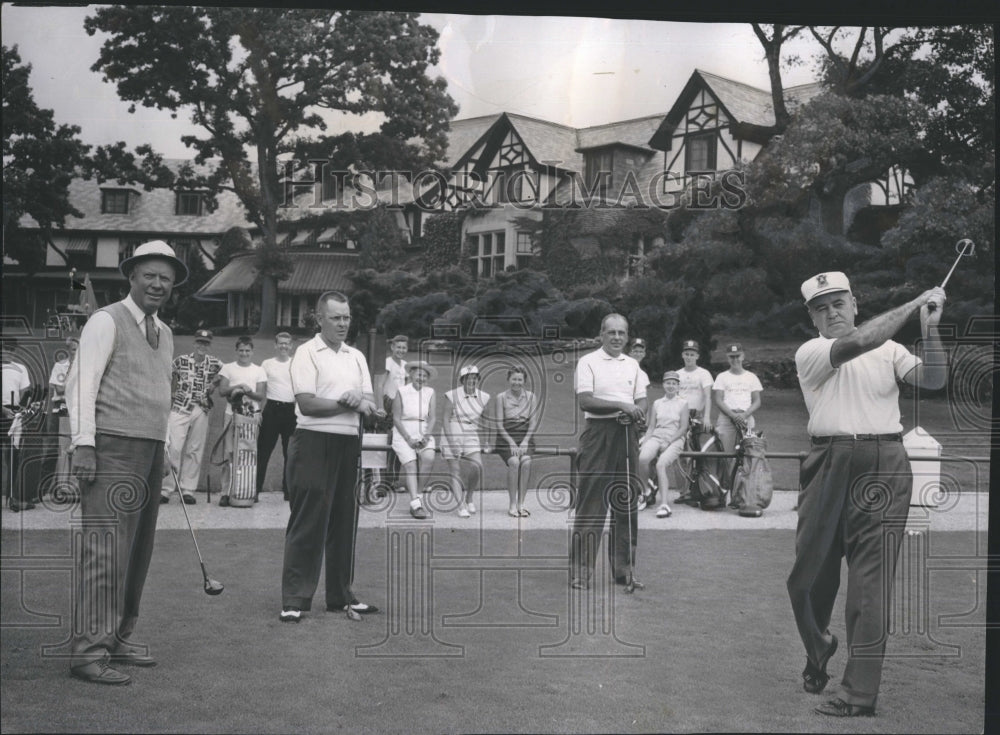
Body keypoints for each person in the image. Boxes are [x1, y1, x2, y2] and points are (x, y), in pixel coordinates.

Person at [787, 272, 947, 718]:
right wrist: (914, 303)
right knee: (807, 579)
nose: (831, 312)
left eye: (838, 303)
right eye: (821, 307)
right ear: (812, 317)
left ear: (855, 303)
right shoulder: (814, 350)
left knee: (868, 586)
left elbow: (934, 380)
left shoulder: (893, 350)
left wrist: (929, 329)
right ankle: (818, 649)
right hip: (827, 461)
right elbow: (857, 344)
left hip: (884, 463)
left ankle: (858, 693)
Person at [65, 239, 187, 685]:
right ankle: (88, 652)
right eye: (150, 275)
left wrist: (166, 445)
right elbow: (82, 384)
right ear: (132, 276)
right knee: (106, 551)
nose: (158, 284)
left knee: (137, 552)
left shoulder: (165, 331)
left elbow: (160, 393)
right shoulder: (105, 320)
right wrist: (83, 443)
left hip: (150, 449)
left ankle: (116, 636)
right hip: (111, 447)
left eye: (166, 279)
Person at [280, 291, 379, 622]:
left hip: (348, 442)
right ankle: (295, 599)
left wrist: (359, 401)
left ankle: (340, 595)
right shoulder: (307, 352)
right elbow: (307, 403)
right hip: (312, 442)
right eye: (336, 317)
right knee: (308, 520)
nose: (343, 323)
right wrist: (348, 401)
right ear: (319, 319)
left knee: (344, 521)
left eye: (347, 317)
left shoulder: (356, 356)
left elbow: (370, 403)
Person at [570, 313, 649, 590]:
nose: (617, 337)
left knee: (626, 501)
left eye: (622, 333)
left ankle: (624, 569)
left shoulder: (633, 366)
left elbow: (641, 399)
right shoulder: (588, 362)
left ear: (627, 337)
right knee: (591, 502)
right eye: (611, 332)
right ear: (601, 335)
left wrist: (636, 412)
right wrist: (622, 406)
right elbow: (585, 401)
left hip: (626, 434)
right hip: (598, 434)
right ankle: (581, 571)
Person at [161, 329, 222, 505]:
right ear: (194, 343)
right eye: (200, 343)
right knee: (174, 448)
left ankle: (188, 489)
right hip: (180, 407)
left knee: (195, 450)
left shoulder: (215, 363)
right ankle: (166, 489)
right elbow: (168, 376)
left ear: (209, 345)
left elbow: (226, 375)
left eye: (206, 343)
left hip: (201, 408)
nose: (202, 346)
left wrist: (215, 384)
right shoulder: (181, 361)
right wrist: (171, 395)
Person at [216, 336, 267, 506]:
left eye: (247, 350)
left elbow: (260, 395)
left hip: (251, 416)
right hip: (232, 415)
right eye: (241, 350)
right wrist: (237, 387)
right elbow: (222, 391)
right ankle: (225, 492)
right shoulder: (228, 368)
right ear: (236, 351)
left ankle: (247, 490)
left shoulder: (259, 370)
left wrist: (248, 391)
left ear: (252, 352)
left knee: (248, 453)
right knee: (229, 452)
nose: (244, 353)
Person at [636, 371, 688, 519]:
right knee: (642, 458)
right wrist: (645, 442)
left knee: (661, 465)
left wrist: (669, 442)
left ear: (678, 386)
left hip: (675, 438)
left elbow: (683, 428)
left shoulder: (683, 403)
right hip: (657, 436)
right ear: (663, 385)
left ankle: (664, 504)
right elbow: (651, 426)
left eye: (674, 383)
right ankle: (645, 492)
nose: (671, 386)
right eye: (668, 383)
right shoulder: (657, 403)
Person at [712, 343, 763, 488]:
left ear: (743, 356)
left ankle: (743, 491)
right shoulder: (722, 377)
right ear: (728, 358)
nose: (735, 360)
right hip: (727, 419)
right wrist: (733, 415)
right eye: (731, 357)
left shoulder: (751, 377)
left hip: (747, 419)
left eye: (737, 356)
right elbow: (718, 400)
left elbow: (757, 401)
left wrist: (745, 414)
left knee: (747, 456)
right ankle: (723, 490)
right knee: (725, 456)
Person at [441, 365, 490, 518]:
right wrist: (451, 442)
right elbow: (445, 419)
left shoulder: (484, 396)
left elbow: (486, 420)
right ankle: (460, 506)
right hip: (453, 430)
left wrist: (487, 441)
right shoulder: (452, 395)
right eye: (468, 378)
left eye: (474, 378)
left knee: (477, 466)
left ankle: (469, 498)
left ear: (478, 379)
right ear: (462, 380)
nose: (471, 381)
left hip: (471, 432)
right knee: (455, 470)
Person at [391, 361, 437, 520]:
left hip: (423, 430)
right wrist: (408, 439)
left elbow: (432, 418)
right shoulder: (401, 391)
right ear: (411, 375)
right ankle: (416, 505)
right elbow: (396, 418)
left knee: (429, 457)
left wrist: (426, 436)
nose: (421, 378)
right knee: (410, 464)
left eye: (425, 376)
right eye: (418, 374)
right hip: (403, 430)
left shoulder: (430, 392)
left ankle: (417, 496)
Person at [494, 365, 539, 518]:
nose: (516, 382)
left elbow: (533, 422)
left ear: (524, 381)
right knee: (514, 462)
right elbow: (499, 424)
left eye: (520, 379)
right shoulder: (501, 397)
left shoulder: (531, 397)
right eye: (514, 379)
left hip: (525, 435)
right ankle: (512, 504)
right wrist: (511, 442)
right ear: (508, 379)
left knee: (526, 461)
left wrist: (525, 440)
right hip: (506, 435)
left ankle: (521, 504)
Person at [674, 339, 715, 505]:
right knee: (680, 454)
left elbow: (707, 396)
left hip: (697, 415)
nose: (689, 356)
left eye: (692, 354)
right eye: (686, 354)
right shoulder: (677, 374)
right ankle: (684, 492)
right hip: (679, 416)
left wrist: (706, 417)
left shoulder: (703, 373)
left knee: (698, 454)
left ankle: (699, 489)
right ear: (682, 355)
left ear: (697, 355)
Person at [257, 332, 297, 501]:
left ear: (291, 346)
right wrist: (257, 411)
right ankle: (254, 490)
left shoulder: (296, 364)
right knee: (263, 451)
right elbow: (261, 389)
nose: (283, 346)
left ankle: (288, 491)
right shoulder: (267, 364)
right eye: (280, 343)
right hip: (272, 409)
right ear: (275, 345)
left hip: (290, 411)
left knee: (291, 453)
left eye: (287, 343)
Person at [2, 338, 33, 511]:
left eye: (11, 349)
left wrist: (18, 409)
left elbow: (24, 391)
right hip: (2, 411)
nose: (7, 352)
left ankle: (12, 498)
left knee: (13, 456)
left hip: (13, 415)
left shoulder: (21, 369)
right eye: (5, 349)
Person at [48, 337, 79, 504]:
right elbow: (59, 388)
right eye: (73, 350)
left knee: (79, 449)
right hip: (64, 412)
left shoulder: (87, 367)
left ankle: (75, 489)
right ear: (69, 351)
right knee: (64, 451)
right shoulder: (61, 366)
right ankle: (62, 488)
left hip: (81, 413)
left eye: (79, 350)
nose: (76, 353)